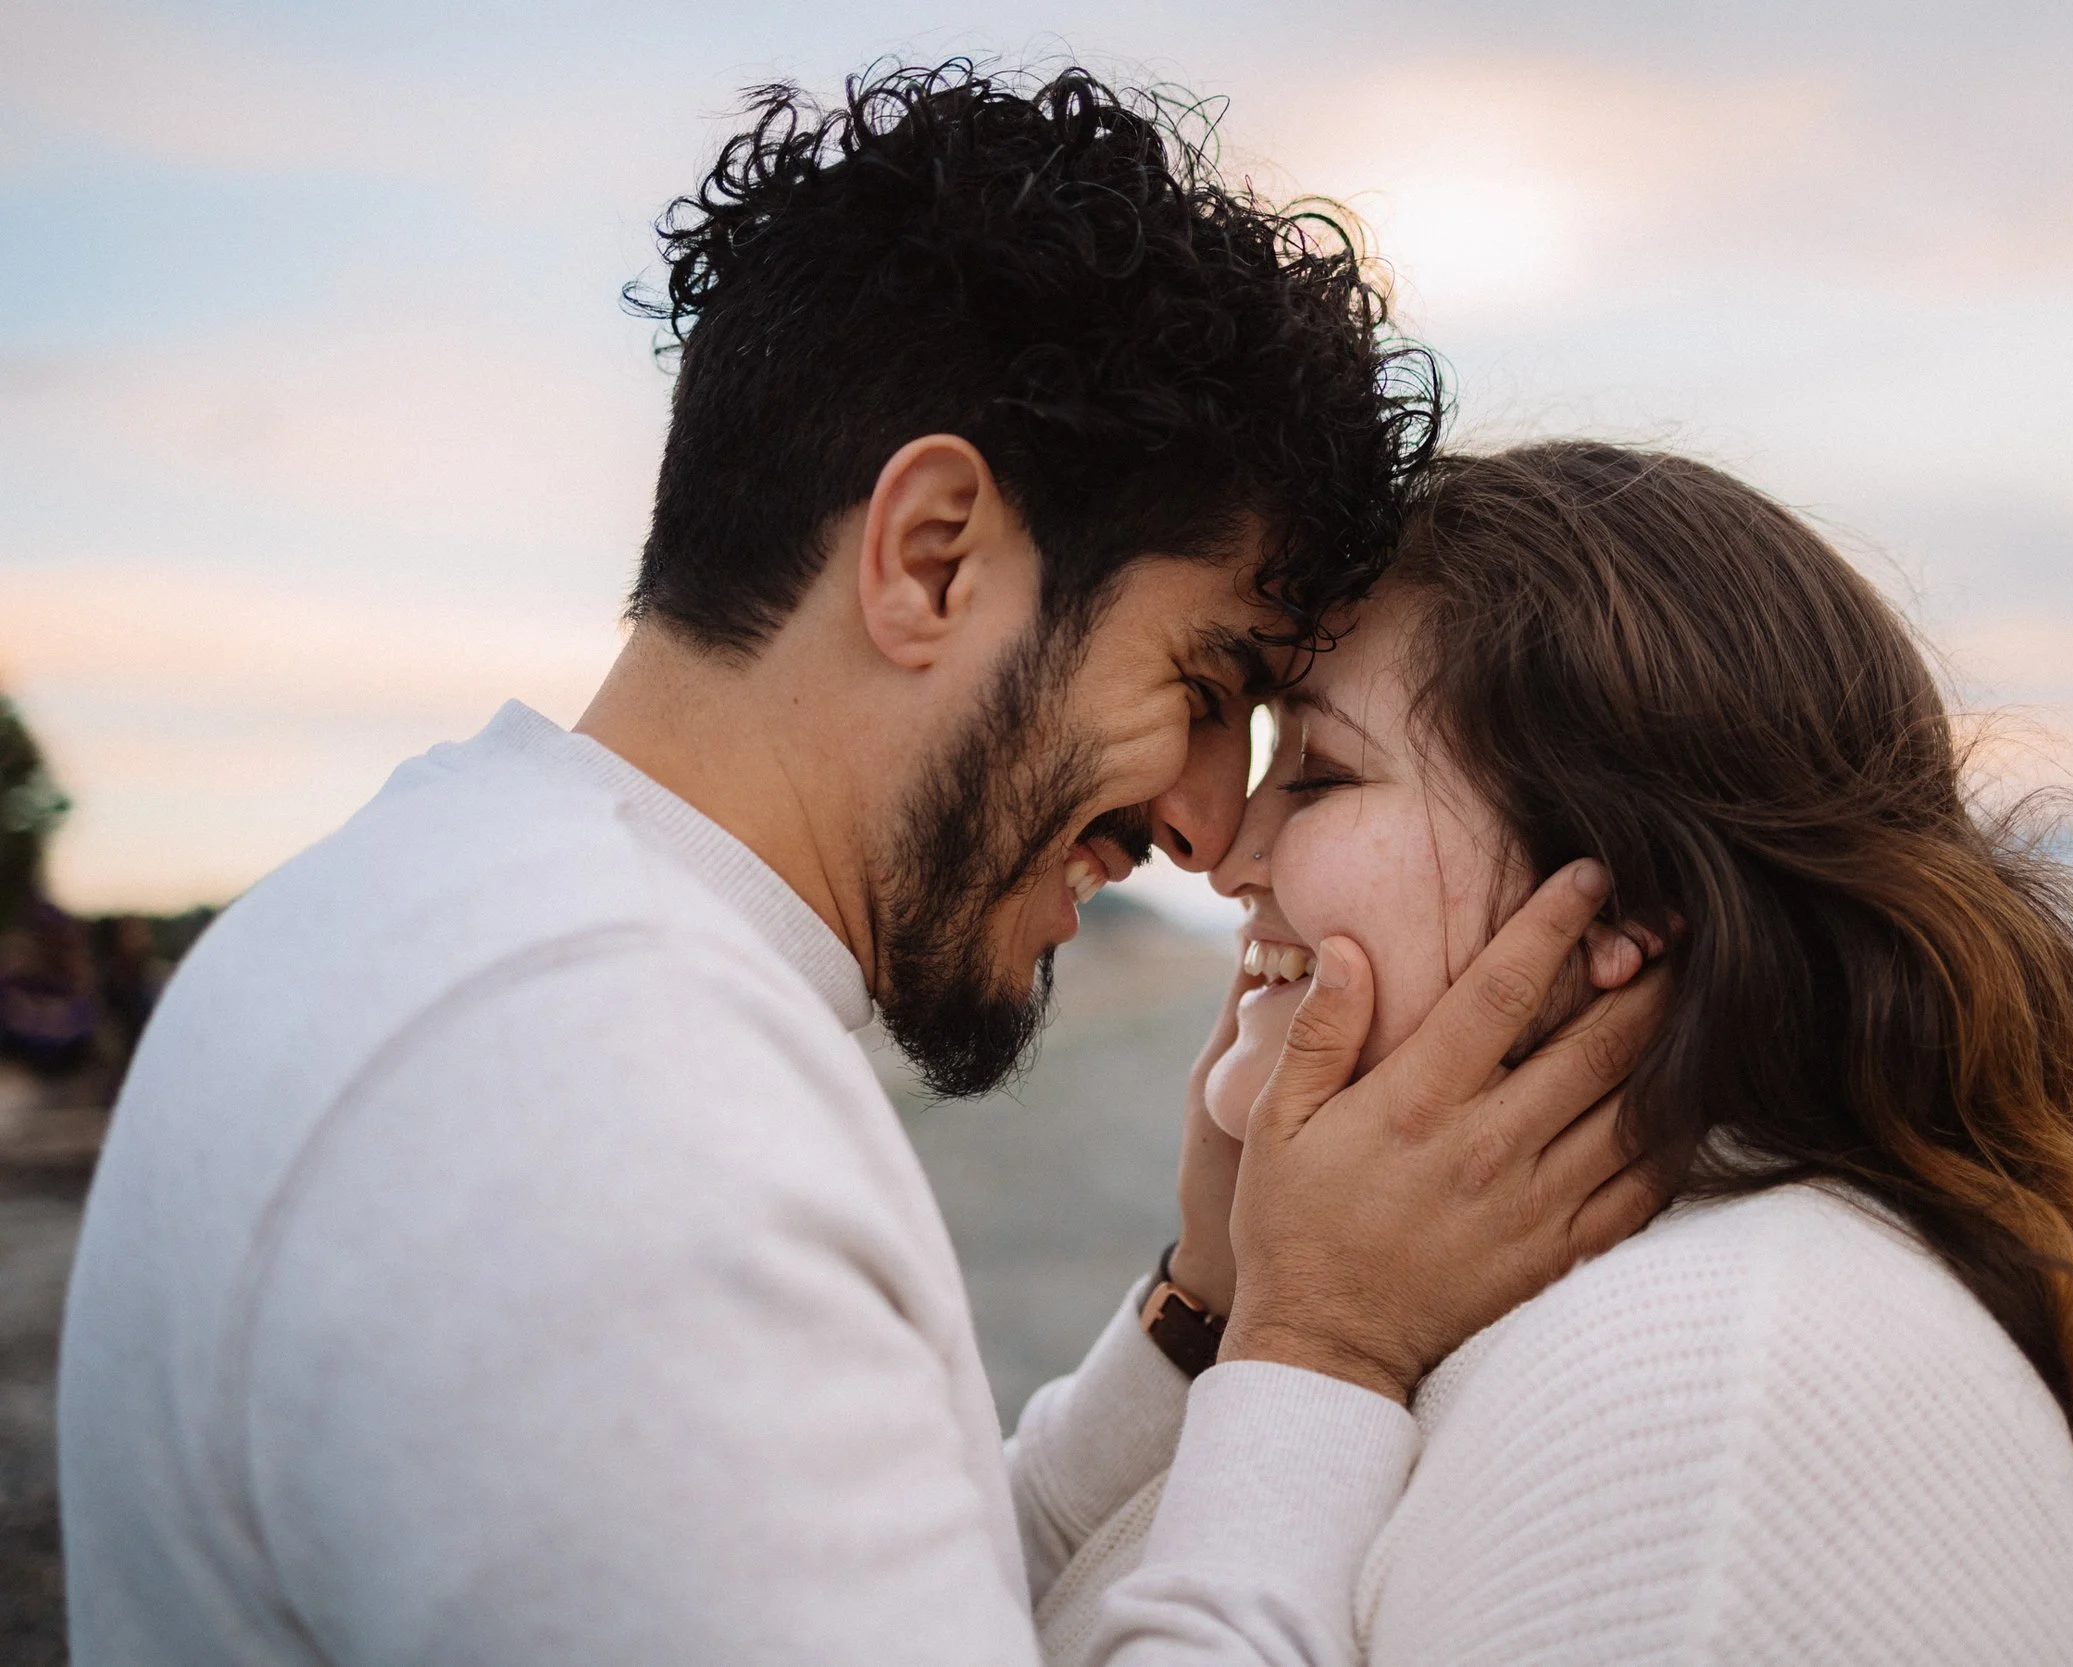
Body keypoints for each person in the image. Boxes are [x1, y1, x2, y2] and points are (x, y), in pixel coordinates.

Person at [57, 71, 1667, 1664]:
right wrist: (1331, 1347)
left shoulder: (451, 917)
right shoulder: (605, 1110)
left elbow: (903, 1585)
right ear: (930, 556)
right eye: (1203, 685)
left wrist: (1208, 1303)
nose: (1204, 823)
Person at [1039, 443, 2073, 1667]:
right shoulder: (1522, 1306)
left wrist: (1310, 1346)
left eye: (1317, 775)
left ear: (1625, 907)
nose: (1221, 852)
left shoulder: (1716, 1402)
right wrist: (1222, 1297)